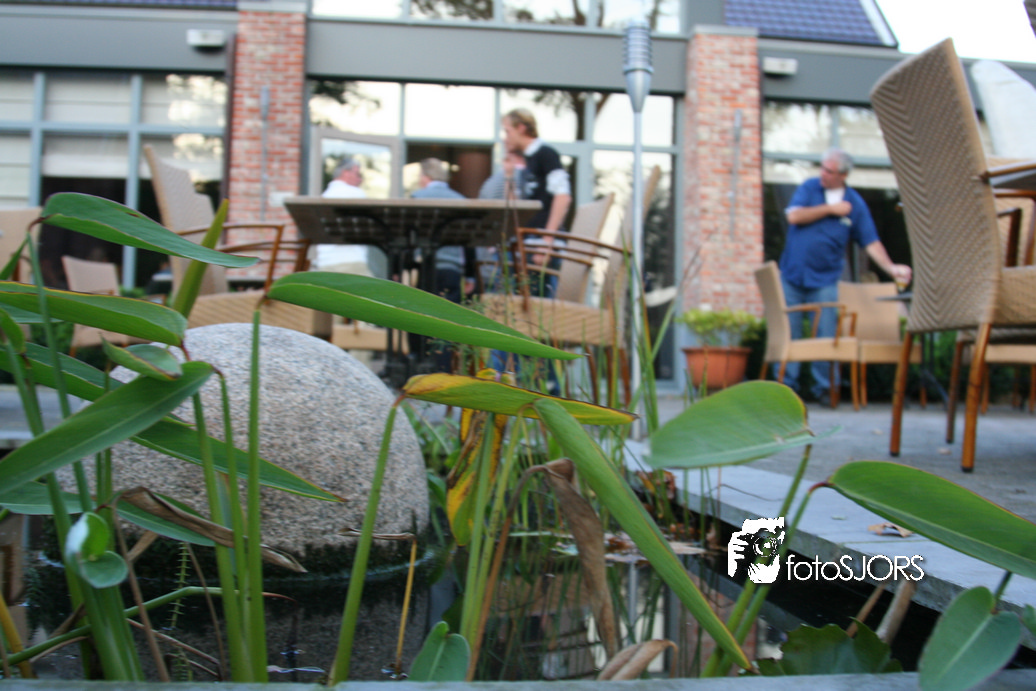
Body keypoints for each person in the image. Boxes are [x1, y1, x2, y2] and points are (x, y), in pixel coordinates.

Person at [778, 147, 912, 403]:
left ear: (843, 175)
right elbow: (794, 216)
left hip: (825, 280)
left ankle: (826, 389)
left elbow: (871, 242)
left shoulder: (855, 204)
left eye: (829, 171)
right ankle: (784, 391)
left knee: (827, 336)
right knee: (789, 333)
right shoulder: (809, 188)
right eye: (822, 168)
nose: (823, 174)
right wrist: (830, 209)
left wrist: (891, 268)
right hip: (792, 276)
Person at [502, 108, 572, 297]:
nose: (505, 138)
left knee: (536, 305)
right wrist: (509, 175)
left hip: (539, 244)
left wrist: (547, 242)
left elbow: (563, 196)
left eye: (507, 131)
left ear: (521, 128)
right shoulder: (528, 161)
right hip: (528, 243)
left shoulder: (546, 154)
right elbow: (515, 207)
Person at [411, 158, 475, 303]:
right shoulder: (461, 200)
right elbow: (469, 240)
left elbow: (409, 233)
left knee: (423, 310)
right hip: (452, 268)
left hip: (425, 266)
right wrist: (470, 275)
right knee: (450, 312)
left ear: (426, 176)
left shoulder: (417, 198)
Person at [316, 156, 374, 274]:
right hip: (351, 261)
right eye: (358, 174)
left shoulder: (325, 195)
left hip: (325, 263)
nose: (360, 180)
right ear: (346, 173)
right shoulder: (355, 194)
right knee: (377, 286)